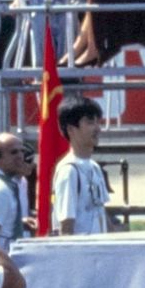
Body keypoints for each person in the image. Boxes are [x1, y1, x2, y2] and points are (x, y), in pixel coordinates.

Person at [51, 93, 110, 234]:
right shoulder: (69, 171)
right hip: (81, 253)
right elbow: (66, 225)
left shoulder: (94, 167)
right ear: (71, 129)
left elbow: (102, 213)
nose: (97, 128)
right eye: (90, 122)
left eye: (98, 122)